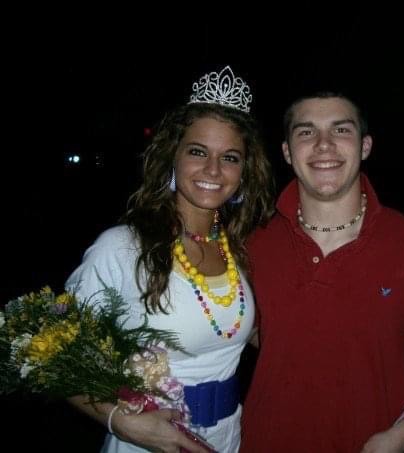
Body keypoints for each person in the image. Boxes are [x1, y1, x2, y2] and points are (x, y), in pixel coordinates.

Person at [240, 92, 404, 452]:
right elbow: (245, 330)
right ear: (287, 152)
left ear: (365, 146)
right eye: (306, 132)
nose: (324, 145)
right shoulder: (254, 244)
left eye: (341, 130)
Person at [65, 66, 274, 453]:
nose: (213, 170)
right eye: (198, 152)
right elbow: (59, 359)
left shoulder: (240, 251)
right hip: (148, 443)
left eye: (230, 157)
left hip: (228, 438)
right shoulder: (122, 248)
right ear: (171, 158)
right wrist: (123, 423)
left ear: (244, 173)